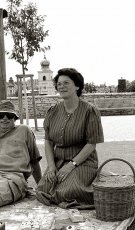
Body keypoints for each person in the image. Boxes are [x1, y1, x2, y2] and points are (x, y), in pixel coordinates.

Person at [35, 68, 104, 209]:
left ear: (77, 86)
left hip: (82, 162)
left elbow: (91, 144)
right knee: (42, 189)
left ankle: (98, 182)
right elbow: (48, 141)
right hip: (58, 161)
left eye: (66, 83)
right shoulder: (52, 111)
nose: (61, 86)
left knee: (67, 191)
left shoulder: (90, 111)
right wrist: (51, 166)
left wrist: (71, 165)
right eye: (59, 84)